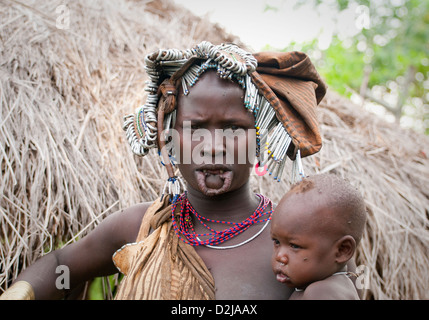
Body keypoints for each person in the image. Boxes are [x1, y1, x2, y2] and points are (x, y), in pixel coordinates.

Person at [1, 41, 327, 300]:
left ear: (260, 137)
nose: (213, 145)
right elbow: (62, 266)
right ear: (167, 138)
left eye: (233, 127)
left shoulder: (296, 242)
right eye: (194, 127)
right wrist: (21, 293)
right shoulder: (139, 226)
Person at [271, 173, 367, 300]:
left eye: (295, 246)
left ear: (342, 250)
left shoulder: (321, 293)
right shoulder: (334, 285)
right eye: (277, 242)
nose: (279, 256)